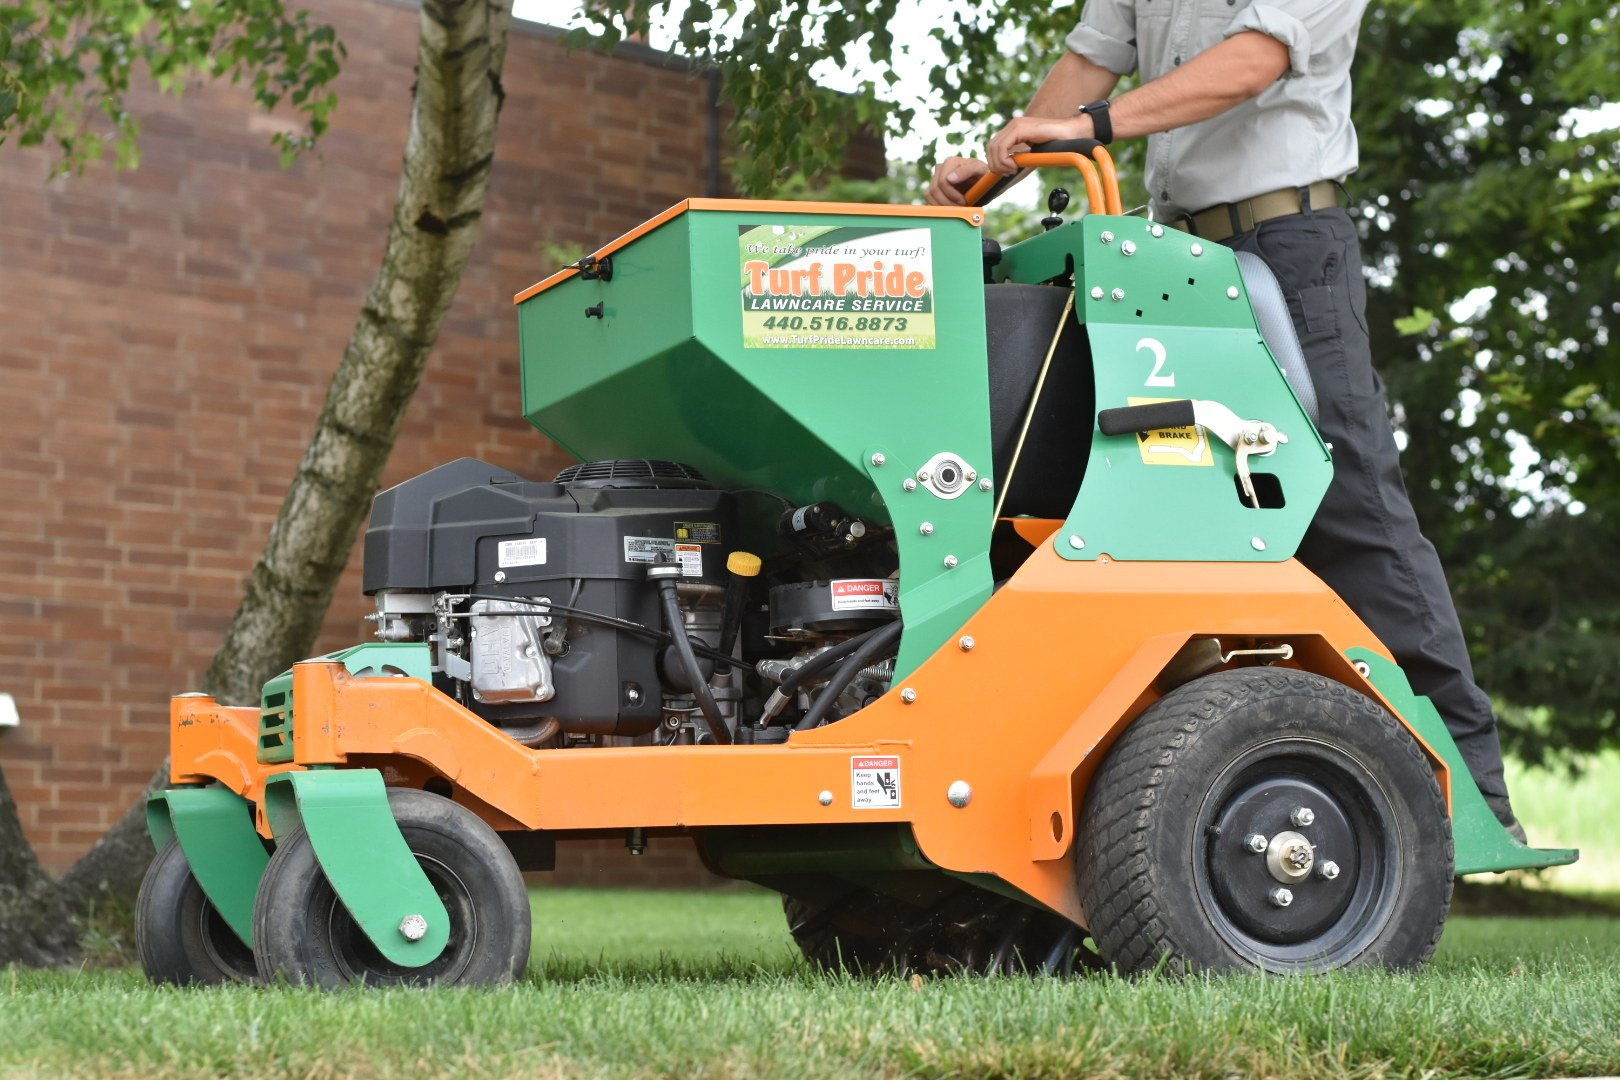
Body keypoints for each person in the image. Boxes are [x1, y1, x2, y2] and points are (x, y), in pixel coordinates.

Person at [926, 0, 1526, 839]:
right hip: (1177, 262)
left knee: (1348, 508)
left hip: (1287, 245)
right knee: (1163, 512)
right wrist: (1001, 163)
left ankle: (1476, 797)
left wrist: (1086, 128)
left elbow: (1253, 61)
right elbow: (1089, 64)